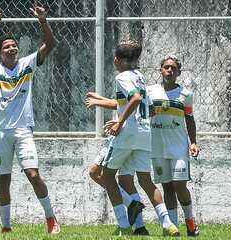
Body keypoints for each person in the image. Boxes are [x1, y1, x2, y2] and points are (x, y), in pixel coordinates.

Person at [0, 5, 60, 234]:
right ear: (1, 52)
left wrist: (43, 21)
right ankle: (6, 226)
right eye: (7, 46)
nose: (12, 48)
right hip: (1, 132)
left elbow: (51, 44)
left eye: (14, 45)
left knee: (33, 174)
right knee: (4, 180)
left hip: (24, 129)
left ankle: (51, 218)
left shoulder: (28, 63)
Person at [87, 40, 179, 236]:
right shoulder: (139, 76)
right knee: (143, 179)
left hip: (127, 132)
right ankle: (166, 223)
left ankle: (124, 221)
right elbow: (130, 102)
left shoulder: (122, 77)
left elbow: (135, 99)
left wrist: (119, 122)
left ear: (117, 60)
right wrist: (100, 100)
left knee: (105, 175)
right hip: (145, 134)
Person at [147, 55, 200, 236]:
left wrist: (193, 142)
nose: (169, 71)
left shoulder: (186, 94)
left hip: (178, 147)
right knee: (167, 186)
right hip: (158, 147)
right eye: (166, 67)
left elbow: (190, 119)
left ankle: (190, 222)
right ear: (160, 70)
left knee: (179, 185)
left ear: (178, 72)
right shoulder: (150, 92)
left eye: (173, 68)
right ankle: (172, 227)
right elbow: (142, 113)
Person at [86, 92, 149, 236]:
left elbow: (119, 104)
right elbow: (120, 103)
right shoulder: (135, 81)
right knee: (126, 180)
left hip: (120, 136)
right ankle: (140, 227)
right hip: (132, 136)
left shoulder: (125, 79)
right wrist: (99, 98)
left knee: (96, 173)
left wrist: (97, 103)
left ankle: (128, 214)